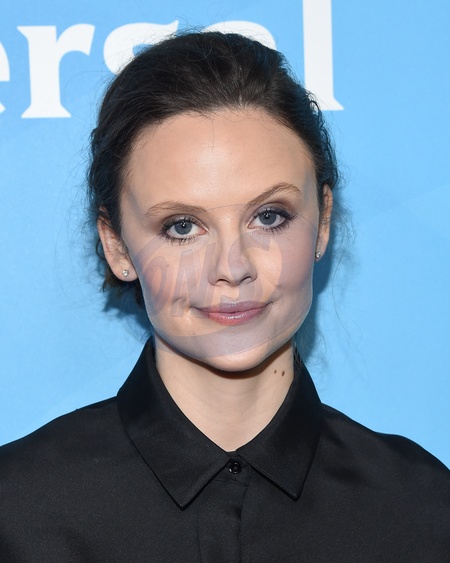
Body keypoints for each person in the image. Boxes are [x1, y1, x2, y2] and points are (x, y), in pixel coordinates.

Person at [0, 31, 448, 562]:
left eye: (269, 217)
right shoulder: (16, 514)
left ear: (323, 220)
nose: (232, 268)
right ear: (117, 245)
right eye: (182, 227)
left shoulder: (422, 509)